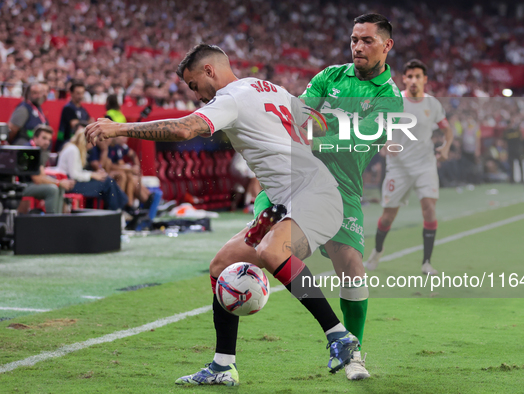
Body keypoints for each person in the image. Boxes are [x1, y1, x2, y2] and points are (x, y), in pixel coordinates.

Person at [85, 43, 357, 386]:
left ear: (209, 71)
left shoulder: (230, 98)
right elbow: (315, 121)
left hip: (313, 194)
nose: (195, 93)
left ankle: (339, 336)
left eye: (193, 84)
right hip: (287, 201)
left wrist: (120, 128)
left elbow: (184, 129)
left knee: (272, 251)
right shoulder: (267, 87)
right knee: (222, 265)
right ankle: (222, 366)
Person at [251, 13, 403, 380]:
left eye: (367, 40)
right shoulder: (330, 76)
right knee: (251, 254)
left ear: (387, 45)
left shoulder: (391, 99)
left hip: (341, 188)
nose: (358, 46)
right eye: (354, 39)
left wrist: (315, 138)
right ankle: (224, 360)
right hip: (295, 178)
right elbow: (298, 112)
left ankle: (353, 353)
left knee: (351, 264)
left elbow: (361, 138)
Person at [365, 59, 454, 276]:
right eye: (410, 76)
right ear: (404, 79)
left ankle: (426, 263)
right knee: (388, 216)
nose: (414, 80)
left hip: (425, 165)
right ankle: (377, 250)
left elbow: (447, 130)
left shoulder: (432, 104)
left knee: (429, 210)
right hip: (399, 167)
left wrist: (445, 147)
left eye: (418, 76)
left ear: (425, 79)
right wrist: (385, 143)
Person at [57, 125, 128, 210]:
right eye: (92, 142)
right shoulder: (73, 150)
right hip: (70, 185)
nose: (92, 145)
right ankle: (119, 210)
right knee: (107, 182)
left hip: (74, 183)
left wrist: (94, 174)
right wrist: (92, 175)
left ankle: (118, 209)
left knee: (107, 180)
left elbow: (77, 172)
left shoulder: (73, 148)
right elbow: (74, 175)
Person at [19, 125, 75, 213]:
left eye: (49, 139)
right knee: (52, 189)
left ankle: (57, 219)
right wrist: (59, 183)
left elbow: (42, 175)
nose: (47, 142)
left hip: (31, 184)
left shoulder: (37, 150)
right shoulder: (29, 150)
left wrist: (59, 183)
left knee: (59, 187)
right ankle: (50, 222)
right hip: (22, 186)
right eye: (44, 138)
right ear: (35, 137)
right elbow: (37, 179)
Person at [56, 81, 91, 151]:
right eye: (78, 93)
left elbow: (90, 122)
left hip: (80, 142)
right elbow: (76, 126)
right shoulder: (68, 108)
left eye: (82, 93)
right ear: (71, 93)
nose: (80, 96)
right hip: (67, 142)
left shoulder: (83, 110)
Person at [503, 117, 524, 183]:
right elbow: (504, 141)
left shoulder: (517, 130)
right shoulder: (506, 132)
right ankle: (512, 179)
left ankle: (522, 179)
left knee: (520, 164)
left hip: (518, 150)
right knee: (511, 165)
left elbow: (522, 138)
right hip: (510, 150)